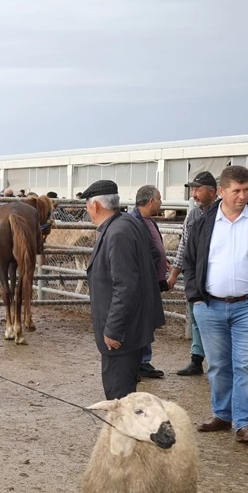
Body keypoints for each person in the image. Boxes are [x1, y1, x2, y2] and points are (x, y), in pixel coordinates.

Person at [182, 165, 248, 445]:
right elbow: (189, 261)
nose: (242, 195)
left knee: (247, 364)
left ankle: (244, 422)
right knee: (217, 365)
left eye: (246, 190)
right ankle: (222, 414)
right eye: (236, 190)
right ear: (222, 191)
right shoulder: (203, 223)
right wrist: (196, 297)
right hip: (210, 306)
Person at [83, 180, 164, 401]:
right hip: (132, 328)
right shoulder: (126, 223)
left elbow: (125, 285)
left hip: (123, 335)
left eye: (87, 204)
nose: (87, 209)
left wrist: (113, 329)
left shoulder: (117, 233)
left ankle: (124, 435)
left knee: (118, 396)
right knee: (124, 393)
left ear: (96, 206)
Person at [167, 170, 218, 375]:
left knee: (216, 317)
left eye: (197, 190)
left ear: (212, 191)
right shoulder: (193, 214)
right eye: (193, 190)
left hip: (215, 274)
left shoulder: (223, 213)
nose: (193, 195)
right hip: (195, 273)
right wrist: (174, 274)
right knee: (196, 315)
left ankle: (218, 361)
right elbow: (184, 245)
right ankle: (196, 359)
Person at [129, 185, 170, 379]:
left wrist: (162, 260)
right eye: (159, 199)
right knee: (140, 322)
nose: (161, 202)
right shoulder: (134, 222)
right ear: (151, 201)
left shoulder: (147, 221)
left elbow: (153, 248)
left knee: (146, 321)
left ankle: (143, 361)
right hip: (142, 283)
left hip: (152, 281)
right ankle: (136, 363)